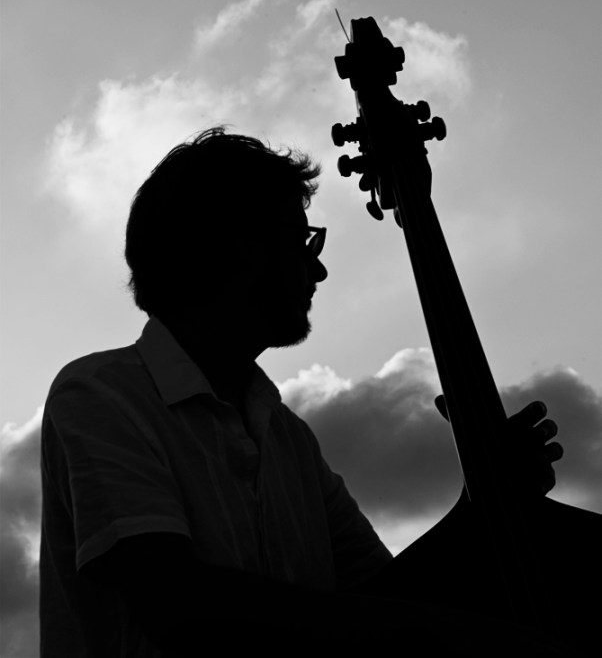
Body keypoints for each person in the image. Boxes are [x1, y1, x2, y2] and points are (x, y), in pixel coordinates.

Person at [39, 127, 574, 657]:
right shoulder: (100, 395)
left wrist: (479, 509)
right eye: (302, 242)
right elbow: (183, 612)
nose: (317, 268)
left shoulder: (289, 437)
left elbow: (383, 599)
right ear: (237, 245)